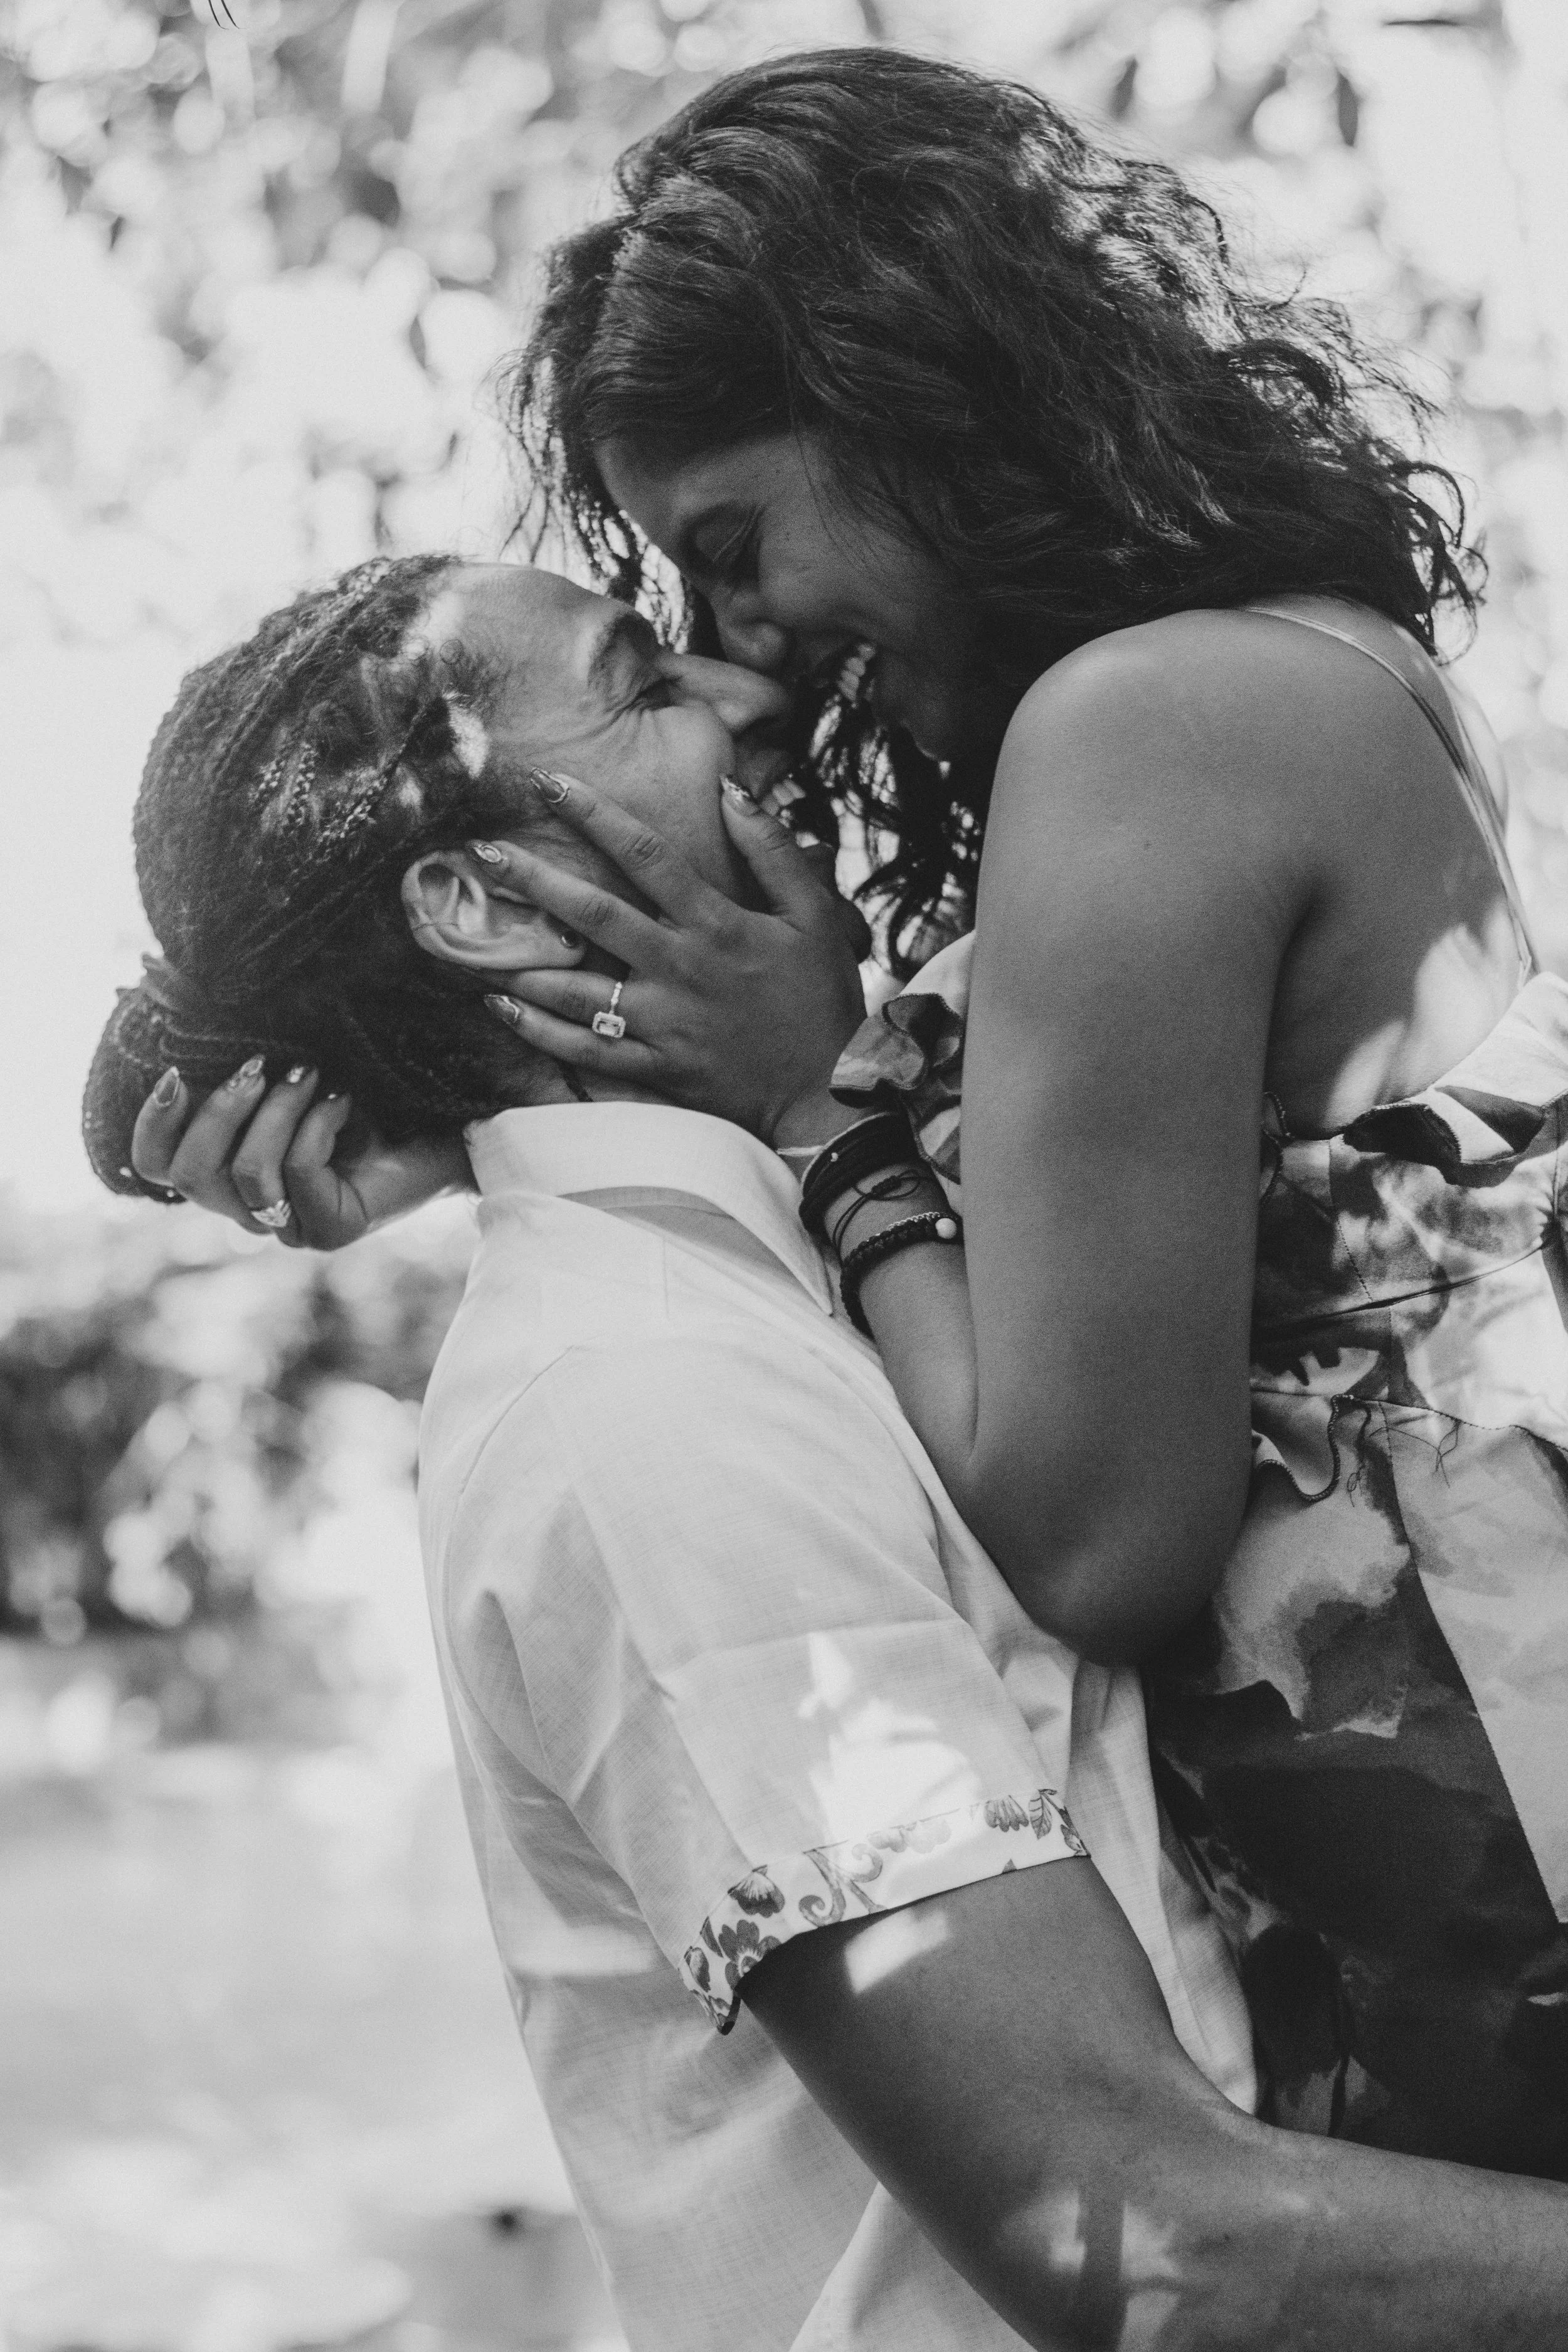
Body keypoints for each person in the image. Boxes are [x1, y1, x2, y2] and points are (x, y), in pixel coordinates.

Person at [91, 555, 1568, 2349]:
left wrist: (442, 1114)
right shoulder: (652, 1408)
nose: (754, 698)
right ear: (476, 903)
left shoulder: (806, 1259)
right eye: (644, 685)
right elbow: (1149, 2237)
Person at [428, 47, 1568, 2171]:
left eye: (734, 546)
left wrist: (818, 1108)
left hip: (1495, 1889)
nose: (739, 642)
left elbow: (1099, 1534)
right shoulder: (1295, 657)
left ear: (913, 409)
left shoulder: (1143, 728)